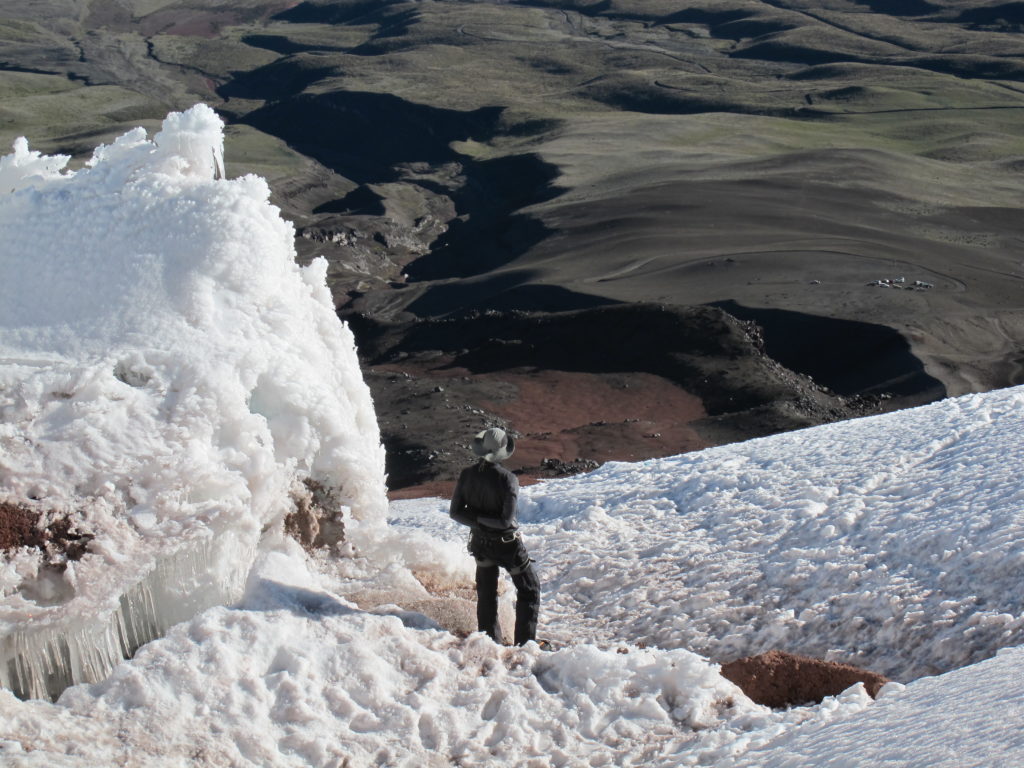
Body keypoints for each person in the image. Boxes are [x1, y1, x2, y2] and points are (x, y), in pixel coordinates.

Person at [449, 427, 540, 645]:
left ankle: (490, 642)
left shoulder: (467, 474)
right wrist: (484, 521)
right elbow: (505, 521)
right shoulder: (508, 479)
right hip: (507, 545)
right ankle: (524, 645)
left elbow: (455, 512)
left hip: (480, 543)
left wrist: (478, 522)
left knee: (487, 594)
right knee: (529, 589)